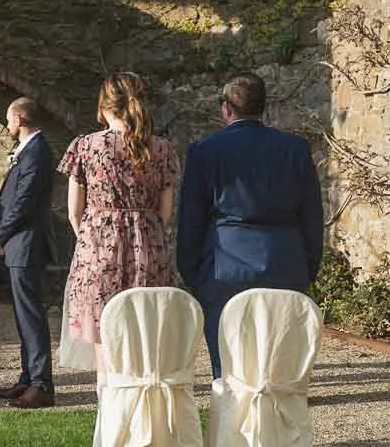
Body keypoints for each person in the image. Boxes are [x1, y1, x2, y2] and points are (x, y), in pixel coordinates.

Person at [176, 73, 325, 378]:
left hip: (225, 266)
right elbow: (312, 214)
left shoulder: (205, 151)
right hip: (285, 260)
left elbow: (191, 219)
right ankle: (280, 404)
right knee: (281, 361)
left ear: (226, 108)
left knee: (229, 362)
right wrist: (308, 265)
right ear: (263, 107)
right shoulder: (295, 148)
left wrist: (192, 271)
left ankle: (234, 406)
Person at [58, 73, 178, 375]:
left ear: (104, 105)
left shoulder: (85, 146)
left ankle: (111, 400)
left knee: (105, 344)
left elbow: (73, 211)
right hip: (148, 250)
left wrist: (91, 240)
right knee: (146, 340)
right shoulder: (161, 149)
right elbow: (165, 214)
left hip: (99, 250)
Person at [0, 97, 56, 408]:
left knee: (31, 315)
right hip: (19, 244)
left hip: (27, 243)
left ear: (19, 119)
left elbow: (23, 202)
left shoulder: (37, 151)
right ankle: (28, 377)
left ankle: (41, 383)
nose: (7, 125)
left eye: (8, 119)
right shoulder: (29, 150)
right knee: (22, 315)